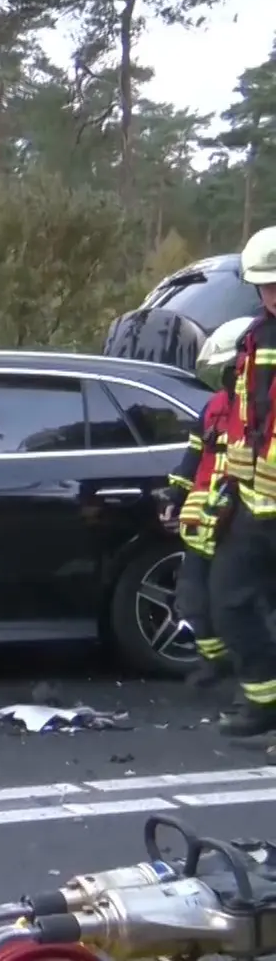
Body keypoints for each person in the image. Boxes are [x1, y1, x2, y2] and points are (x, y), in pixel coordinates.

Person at [207, 225, 276, 737]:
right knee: (229, 600)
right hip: (256, 503)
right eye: (265, 286)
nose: (272, 296)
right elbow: (240, 415)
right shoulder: (253, 337)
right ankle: (263, 700)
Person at [160, 316, 252, 689]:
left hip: (242, 522)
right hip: (203, 523)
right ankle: (215, 663)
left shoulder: (261, 409)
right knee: (194, 599)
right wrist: (173, 495)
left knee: (238, 603)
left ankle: (254, 683)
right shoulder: (214, 408)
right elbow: (194, 455)